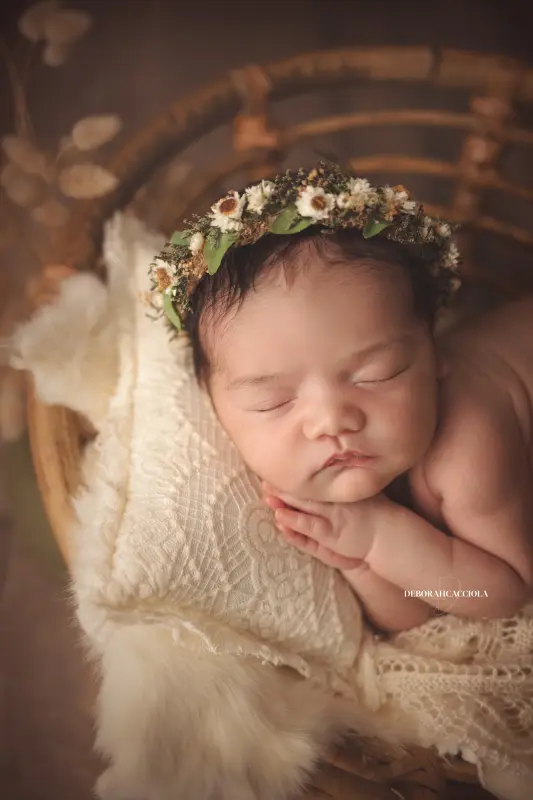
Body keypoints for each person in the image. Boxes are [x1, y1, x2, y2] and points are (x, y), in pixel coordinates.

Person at [149, 163, 533, 633]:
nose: (331, 421)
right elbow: (412, 618)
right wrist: (360, 560)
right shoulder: (351, 468)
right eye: (273, 402)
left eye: (376, 375)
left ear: (434, 357)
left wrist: (379, 539)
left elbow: (501, 592)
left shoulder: (465, 447)